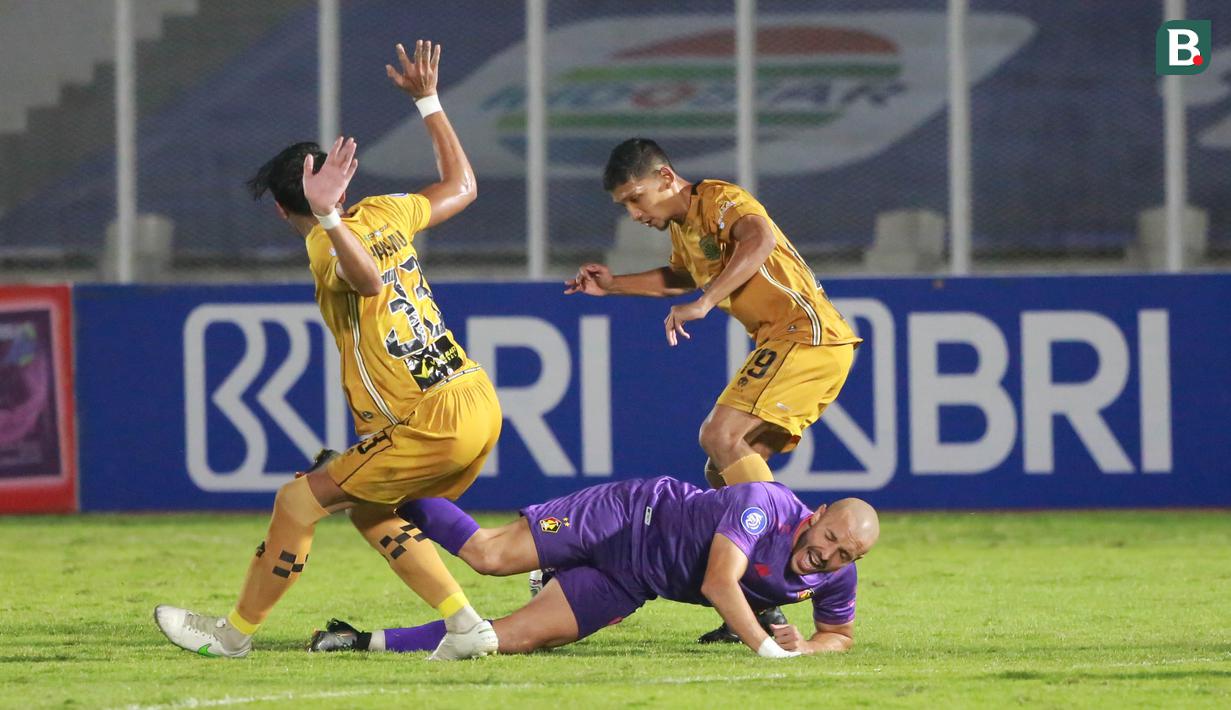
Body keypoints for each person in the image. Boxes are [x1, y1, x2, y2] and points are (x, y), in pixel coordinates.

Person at [154, 39, 502, 661]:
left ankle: (231, 637)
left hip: (432, 418)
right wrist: (428, 101)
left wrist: (328, 221)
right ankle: (465, 624)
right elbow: (464, 185)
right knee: (372, 513)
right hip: (475, 398)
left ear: (289, 209)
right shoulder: (387, 212)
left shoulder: (324, 241)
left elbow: (367, 281)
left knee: (298, 500)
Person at [564, 138, 863, 641]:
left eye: (637, 198)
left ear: (665, 178)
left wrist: (706, 302)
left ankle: (770, 583)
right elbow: (679, 276)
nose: (635, 212)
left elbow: (759, 239)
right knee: (723, 468)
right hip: (799, 342)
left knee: (722, 435)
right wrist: (613, 284)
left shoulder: (719, 199)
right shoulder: (686, 229)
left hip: (807, 335)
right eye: (624, 206)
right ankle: (754, 605)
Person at [308, 477, 879, 658]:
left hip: (634, 582)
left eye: (845, 556)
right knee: (488, 556)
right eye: (829, 538)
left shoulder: (835, 574)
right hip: (623, 517)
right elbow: (718, 582)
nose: (828, 556)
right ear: (818, 514)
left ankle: (358, 643)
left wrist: (807, 649)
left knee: (495, 641)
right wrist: (769, 648)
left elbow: (840, 635)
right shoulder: (766, 505)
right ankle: (369, 481)